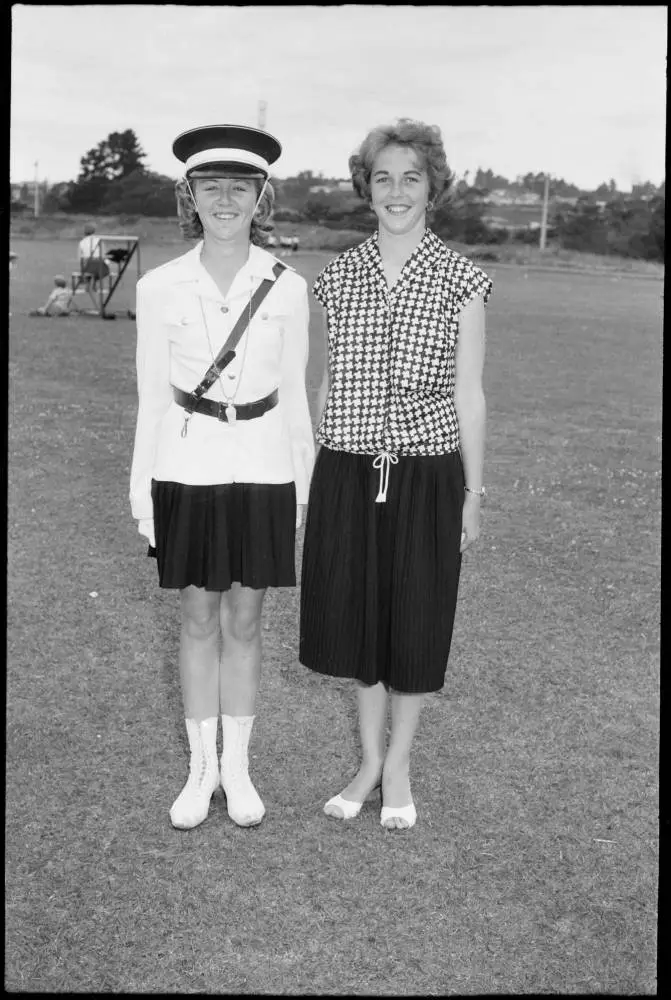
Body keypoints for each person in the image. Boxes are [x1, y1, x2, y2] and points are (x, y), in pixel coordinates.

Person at [299, 118, 492, 831]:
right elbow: (326, 384)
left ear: (432, 186)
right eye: (382, 177)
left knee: (412, 620)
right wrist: (312, 470)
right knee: (358, 624)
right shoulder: (339, 277)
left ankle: (400, 763)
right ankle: (368, 762)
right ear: (365, 188)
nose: (396, 191)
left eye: (410, 176)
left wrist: (473, 493)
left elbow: (469, 393)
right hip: (347, 469)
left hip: (427, 473)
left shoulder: (460, 278)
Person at [129, 124, 314, 831]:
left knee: (246, 617)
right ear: (192, 197)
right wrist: (142, 488)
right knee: (198, 616)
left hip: (265, 467)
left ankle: (237, 769)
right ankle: (198, 769)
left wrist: (301, 486)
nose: (227, 198)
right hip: (187, 466)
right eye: (212, 186)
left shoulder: (288, 287)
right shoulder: (158, 285)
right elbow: (151, 396)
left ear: (260, 197)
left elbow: (295, 393)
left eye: (241, 186)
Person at [78, 222, 109, 288]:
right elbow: (104, 255)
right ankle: (95, 282)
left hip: (88, 265)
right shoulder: (99, 240)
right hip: (99, 265)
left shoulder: (82, 242)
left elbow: (81, 258)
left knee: (88, 267)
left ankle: (88, 284)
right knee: (104, 269)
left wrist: (82, 272)